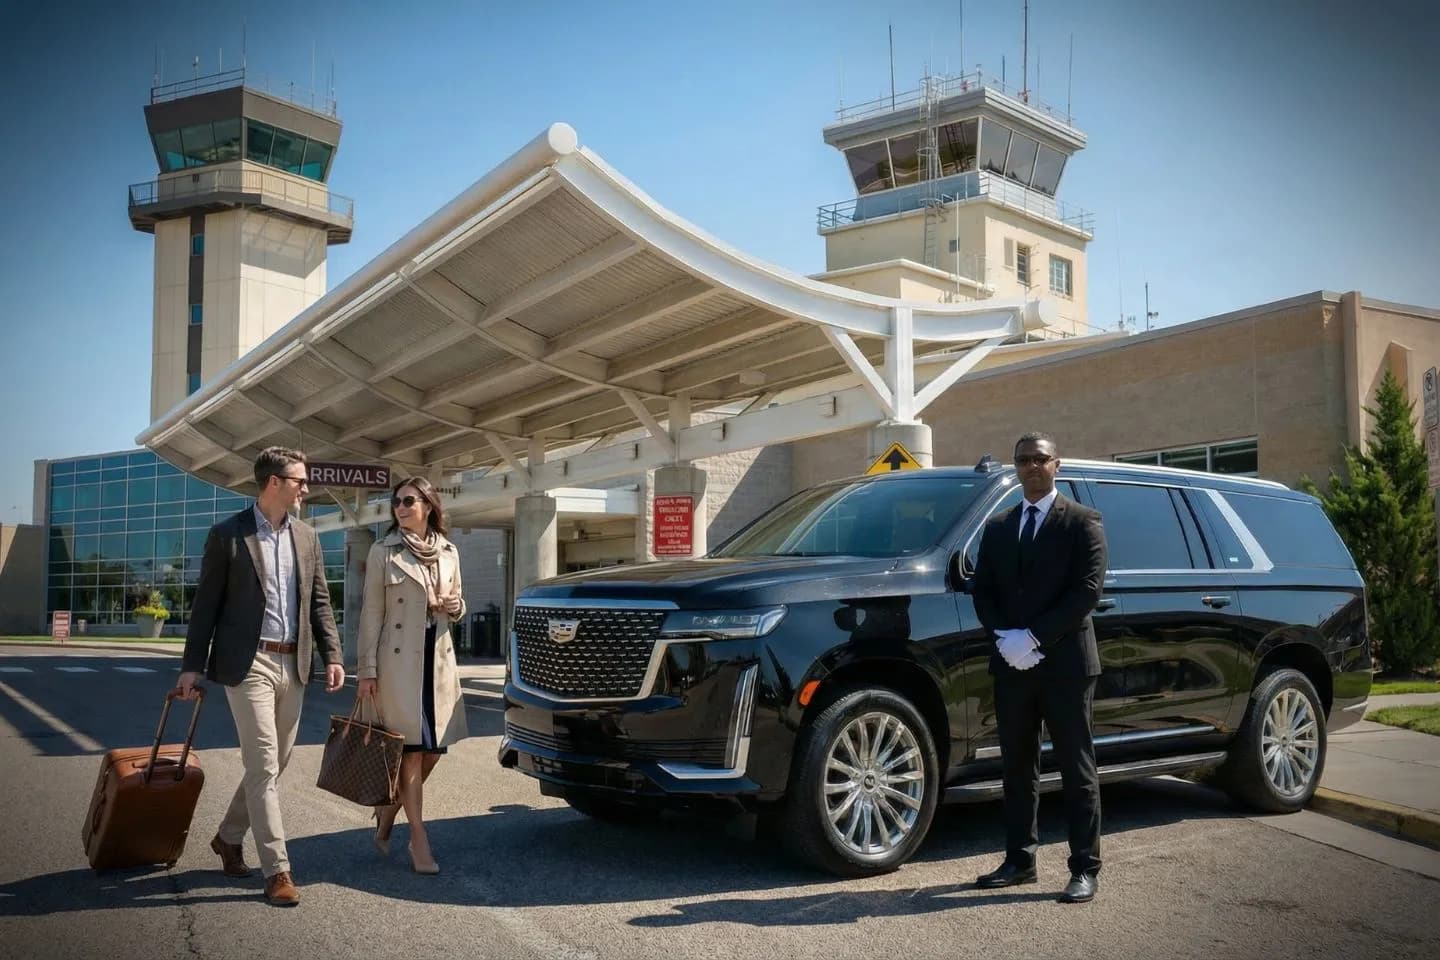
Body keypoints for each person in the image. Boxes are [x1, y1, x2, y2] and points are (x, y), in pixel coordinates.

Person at [177, 447, 343, 907]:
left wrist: (333, 654)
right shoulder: (228, 535)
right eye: (299, 481)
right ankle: (278, 870)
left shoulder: (307, 537)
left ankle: (229, 836)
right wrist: (191, 666)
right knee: (266, 764)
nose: (306, 489)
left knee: (273, 764)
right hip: (247, 664)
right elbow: (204, 607)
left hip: (296, 662)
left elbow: (320, 602)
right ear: (274, 483)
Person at [970, 432, 1108, 904]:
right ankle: (1019, 861)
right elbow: (982, 590)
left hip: (1067, 664)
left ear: (1057, 465)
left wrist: (1033, 637)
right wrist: (1005, 639)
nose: (1032, 466)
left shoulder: (1083, 522)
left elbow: (1086, 591)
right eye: (1024, 459)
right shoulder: (999, 526)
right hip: (1012, 665)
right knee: (1017, 768)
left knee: (1076, 767)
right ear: (1015, 467)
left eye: (1040, 459)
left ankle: (1085, 868)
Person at [356, 477, 467, 875]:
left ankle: (388, 813)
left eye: (408, 501)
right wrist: (366, 671)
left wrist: (456, 607)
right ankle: (418, 839)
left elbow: (459, 605)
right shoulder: (384, 551)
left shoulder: (450, 552)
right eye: (396, 503)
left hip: (436, 666)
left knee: (432, 751)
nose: (400, 508)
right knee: (410, 752)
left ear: (428, 505)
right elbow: (371, 615)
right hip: (397, 666)